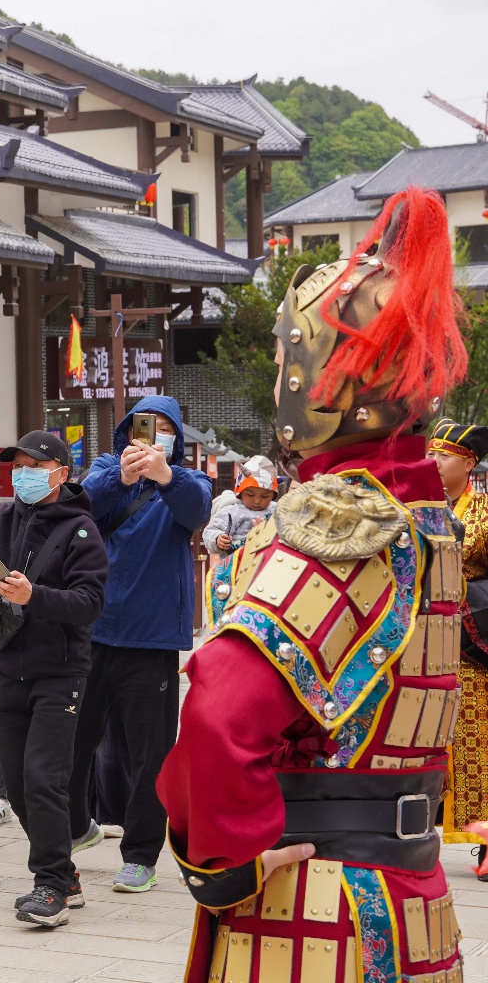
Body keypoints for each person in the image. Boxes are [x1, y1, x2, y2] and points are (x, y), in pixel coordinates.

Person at [158, 189, 469, 982]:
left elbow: (221, 711)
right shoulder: (424, 515)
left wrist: (220, 858)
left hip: (314, 906)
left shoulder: (339, 520)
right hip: (411, 901)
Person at [0, 429, 106, 927]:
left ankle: (50, 884)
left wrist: (37, 597)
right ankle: (63, 870)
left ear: (60, 474)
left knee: (43, 778)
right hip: (6, 665)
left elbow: (90, 603)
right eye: (17, 467)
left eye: (34, 467)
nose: (23, 475)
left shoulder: (81, 531)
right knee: (15, 779)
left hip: (61, 671)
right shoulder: (3, 517)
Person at [72, 396, 211, 895]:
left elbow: (196, 511)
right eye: (144, 428)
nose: (153, 437)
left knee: (150, 754)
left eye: (165, 430)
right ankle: (74, 826)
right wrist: (125, 477)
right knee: (73, 740)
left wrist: (165, 476)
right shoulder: (107, 470)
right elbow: (81, 506)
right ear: (127, 432)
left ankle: (140, 854)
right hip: (93, 628)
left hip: (152, 640)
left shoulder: (189, 480)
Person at [429, 419, 488, 877]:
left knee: (474, 742)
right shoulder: (416, 507)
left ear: (468, 462)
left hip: (469, 645)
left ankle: (484, 836)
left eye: (442, 455)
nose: (432, 461)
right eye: (429, 453)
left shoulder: (484, 511)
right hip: (420, 642)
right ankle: (416, 830)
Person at [202, 457, 279, 624]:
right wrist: (217, 539)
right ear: (240, 490)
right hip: (235, 569)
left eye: (265, 496)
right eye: (250, 494)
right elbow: (210, 531)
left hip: (268, 570)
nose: (257, 501)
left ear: (274, 494)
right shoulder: (231, 511)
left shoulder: (278, 511)